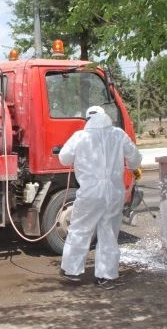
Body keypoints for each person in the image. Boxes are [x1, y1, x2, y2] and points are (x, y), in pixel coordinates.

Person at [58, 106, 142, 288]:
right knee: (109, 234)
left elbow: (64, 158)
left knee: (80, 229)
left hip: (90, 193)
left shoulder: (81, 136)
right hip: (114, 193)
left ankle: (72, 270)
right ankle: (107, 276)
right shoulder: (118, 135)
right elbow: (135, 158)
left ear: (88, 119)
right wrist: (129, 166)